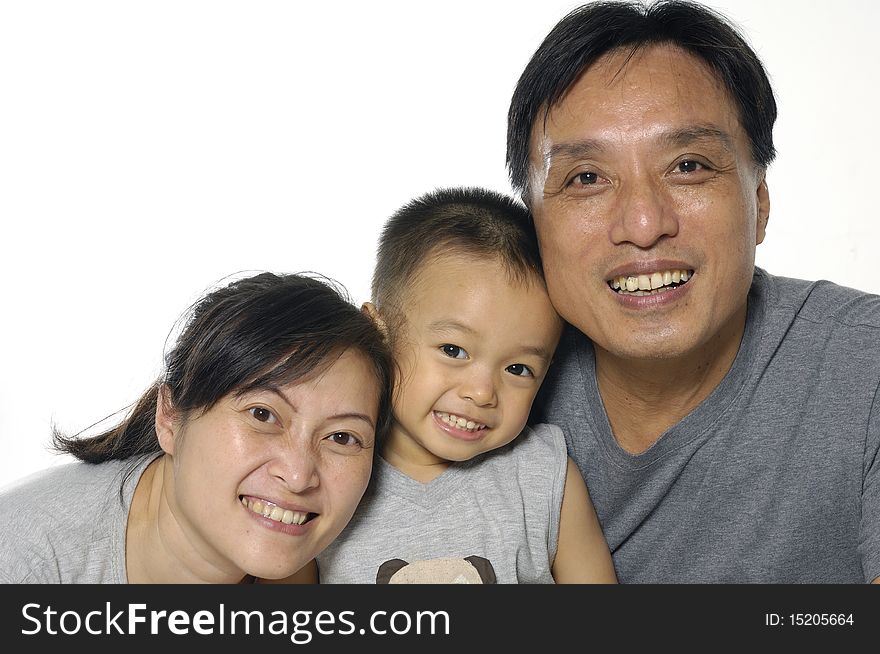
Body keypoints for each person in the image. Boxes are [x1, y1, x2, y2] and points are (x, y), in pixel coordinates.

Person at [505, 0, 880, 583]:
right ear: (532, 226)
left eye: (688, 166)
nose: (643, 223)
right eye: (586, 178)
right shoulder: (466, 382)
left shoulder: (866, 364)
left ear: (760, 202)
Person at [306, 187, 616, 584]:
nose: (482, 392)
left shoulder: (542, 478)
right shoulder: (323, 477)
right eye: (454, 350)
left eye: (519, 369)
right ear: (378, 334)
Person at [0, 272, 393, 584]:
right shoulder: (25, 558)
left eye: (342, 437)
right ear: (170, 416)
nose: (297, 475)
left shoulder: (358, 550)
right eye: (262, 414)